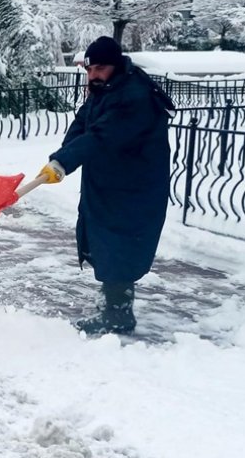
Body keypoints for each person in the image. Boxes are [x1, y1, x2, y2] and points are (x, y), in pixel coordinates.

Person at [37, 36, 174, 335]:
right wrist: (61, 157)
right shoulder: (108, 88)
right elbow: (83, 123)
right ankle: (112, 304)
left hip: (134, 186)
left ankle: (119, 314)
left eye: (99, 68)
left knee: (120, 244)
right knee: (105, 242)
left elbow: (103, 135)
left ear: (115, 65)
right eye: (89, 70)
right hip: (111, 182)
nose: (93, 76)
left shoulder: (134, 96)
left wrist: (65, 161)